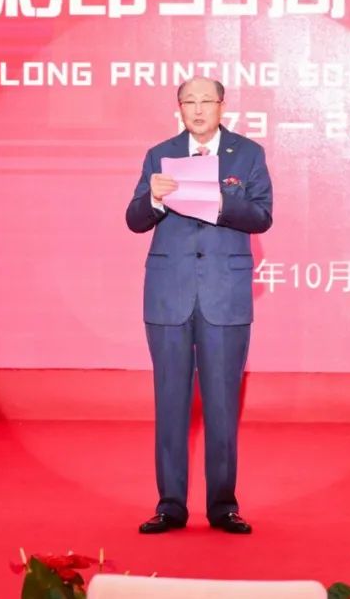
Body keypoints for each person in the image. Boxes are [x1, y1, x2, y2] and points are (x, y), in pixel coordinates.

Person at [125, 77, 273, 535]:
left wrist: (220, 200)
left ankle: (223, 505)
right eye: (189, 101)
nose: (198, 108)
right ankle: (170, 505)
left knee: (222, 405)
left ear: (222, 106)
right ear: (179, 108)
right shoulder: (160, 154)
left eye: (207, 100)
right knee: (170, 401)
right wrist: (154, 198)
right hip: (168, 294)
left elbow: (262, 216)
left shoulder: (247, 154)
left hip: (224, 296)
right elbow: (134, 219)